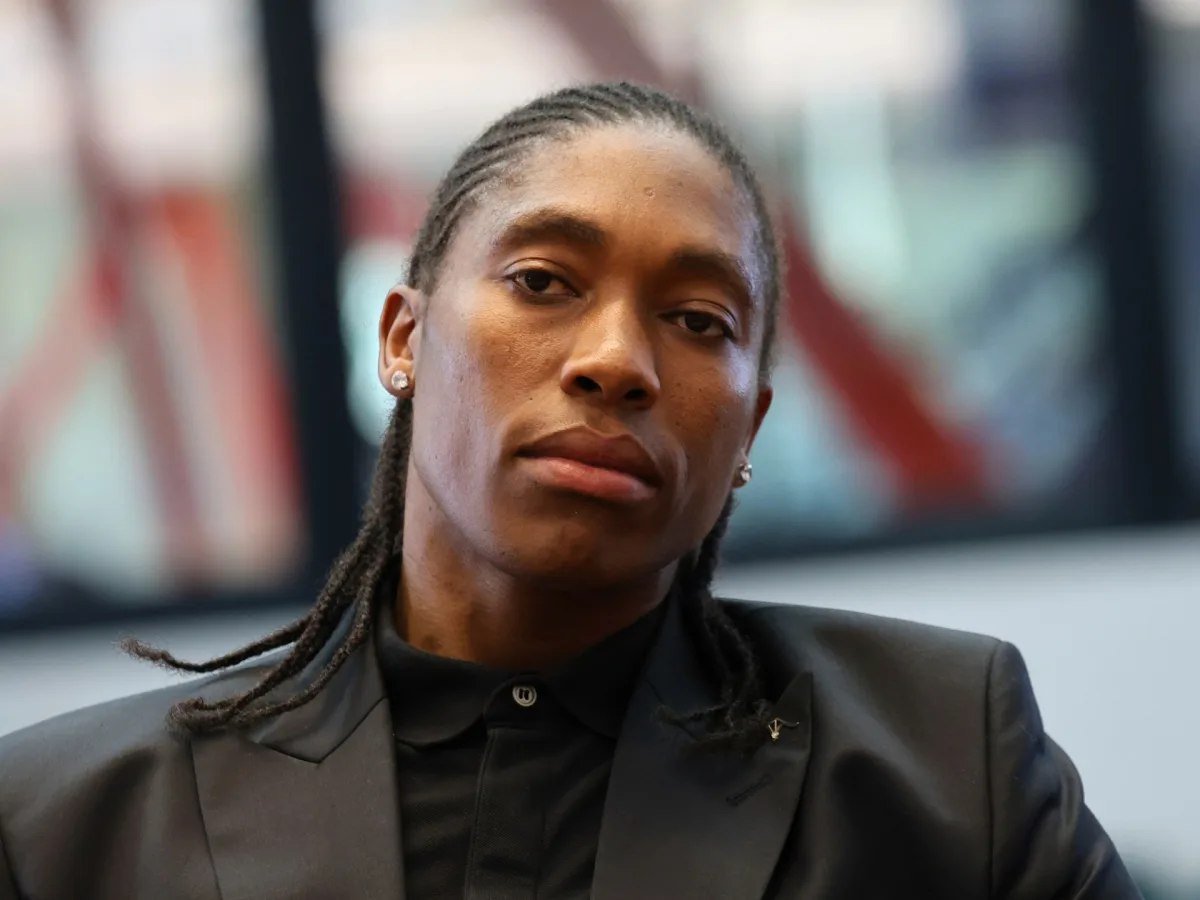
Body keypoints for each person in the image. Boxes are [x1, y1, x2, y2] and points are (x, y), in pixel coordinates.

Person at [0, 82, 1140, 900]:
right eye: (544, 281)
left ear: (749, 427)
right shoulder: (64, 824)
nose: (617, 361)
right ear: (402, 340)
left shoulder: (945, 763)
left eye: (698, 320)